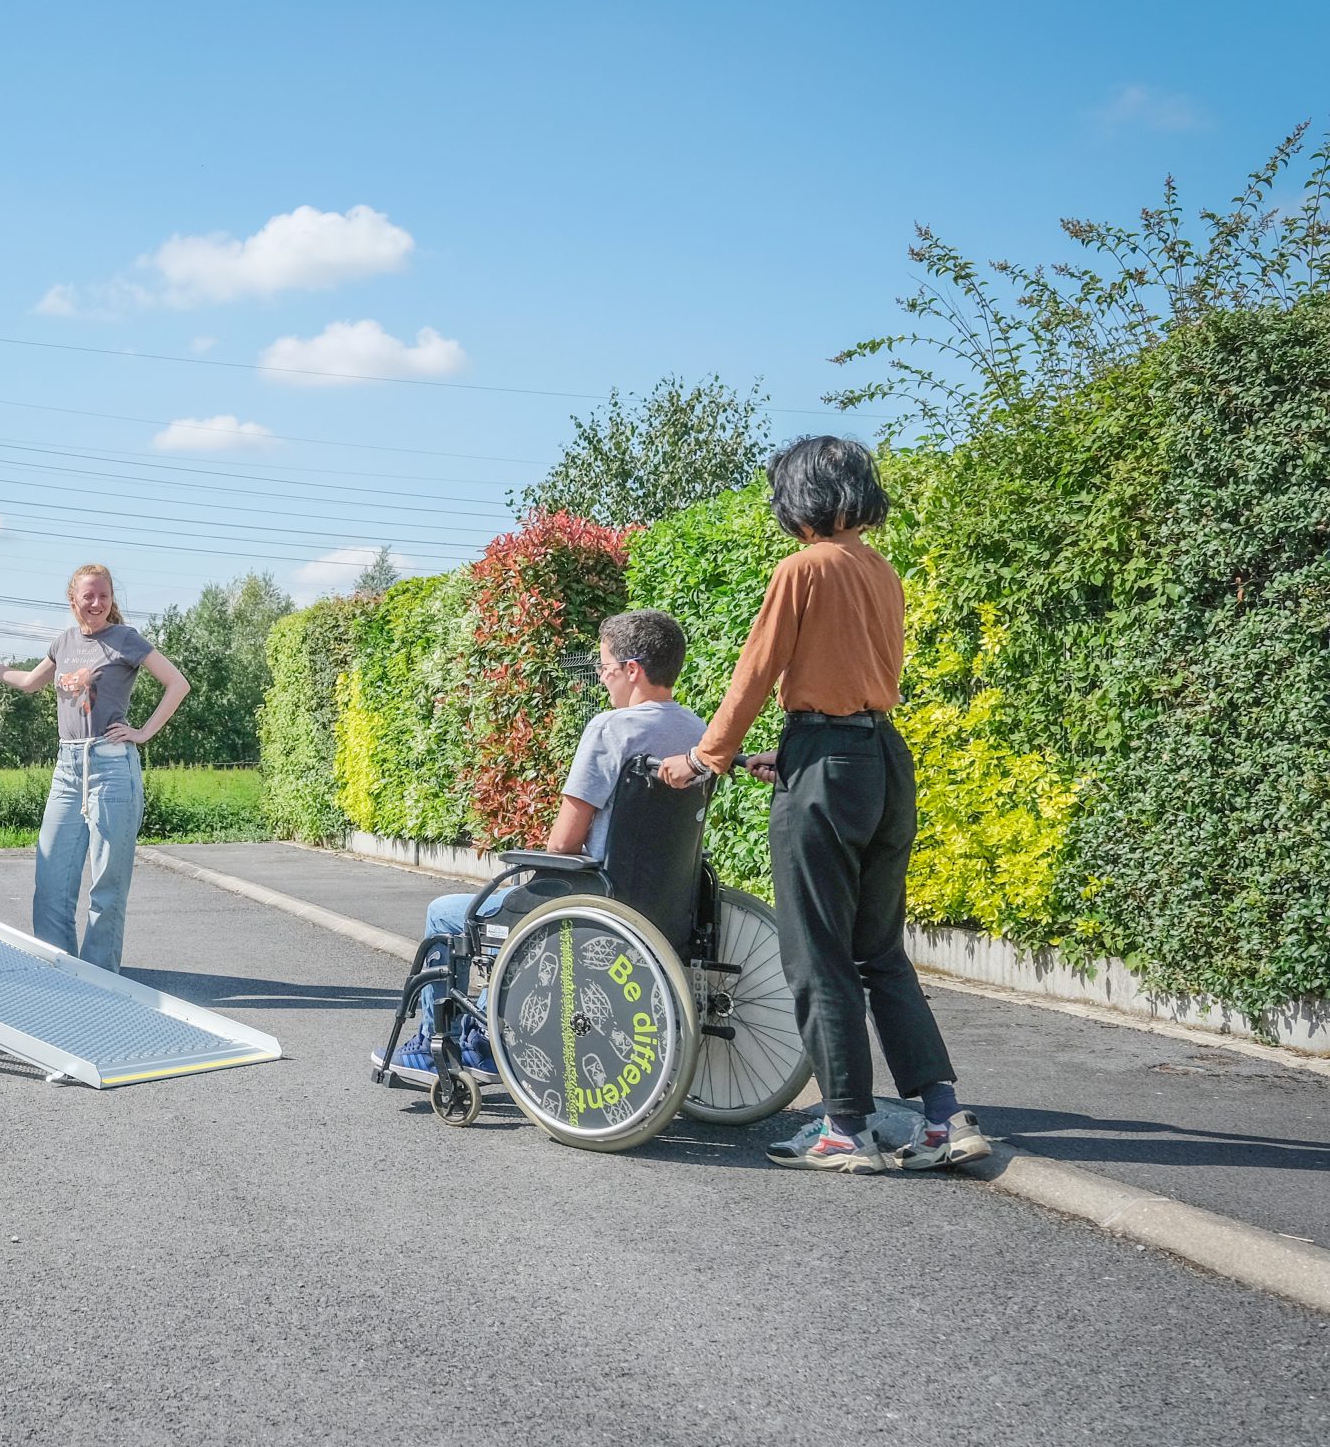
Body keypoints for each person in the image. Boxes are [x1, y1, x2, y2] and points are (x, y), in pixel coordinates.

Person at [656, 436, 991, 1175]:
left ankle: (847, 1127)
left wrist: (702, 759)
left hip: (825, 762)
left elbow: (755, 674)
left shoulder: (803, 568)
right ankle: (943, 1115)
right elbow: (862, 675)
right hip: (882, 759)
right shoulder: (882, 570)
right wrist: (806, 751)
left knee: (816, 952)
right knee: (879, 952)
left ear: (798, 496)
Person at [373, 610, 707, 1087]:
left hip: (596, 898)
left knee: (446, 913)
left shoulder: (611, 729)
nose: (602, 676)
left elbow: (564, 842)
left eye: (604, 666)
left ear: (633, 670)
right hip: (664, 903)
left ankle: (448, 1047)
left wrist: (540, 855)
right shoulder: (698, 732)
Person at [0, 564, 188, 971]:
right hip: (67, 769)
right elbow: (28, 681)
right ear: (73, 600)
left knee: (107, 886)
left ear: (111, 600)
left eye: (104, 596)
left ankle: (100, 978)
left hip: (111, 766)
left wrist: (142, 733)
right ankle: (60, 971)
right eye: (89, 596)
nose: (97, 603)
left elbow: (178, 684)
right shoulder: (64, 642)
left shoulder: (125, 640)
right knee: (51, 883)